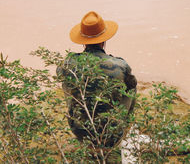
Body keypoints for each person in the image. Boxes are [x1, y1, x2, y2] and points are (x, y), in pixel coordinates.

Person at [56, 11, 137, 147]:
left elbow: (60, 74)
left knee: (68, 79)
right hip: (111, 135)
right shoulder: (120, 65)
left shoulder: (67, 63)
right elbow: (131, 86)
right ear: (104, 41)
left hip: (80, 131)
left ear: (83, 42)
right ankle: (124, 129)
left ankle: (80, 120)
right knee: (131, 86)